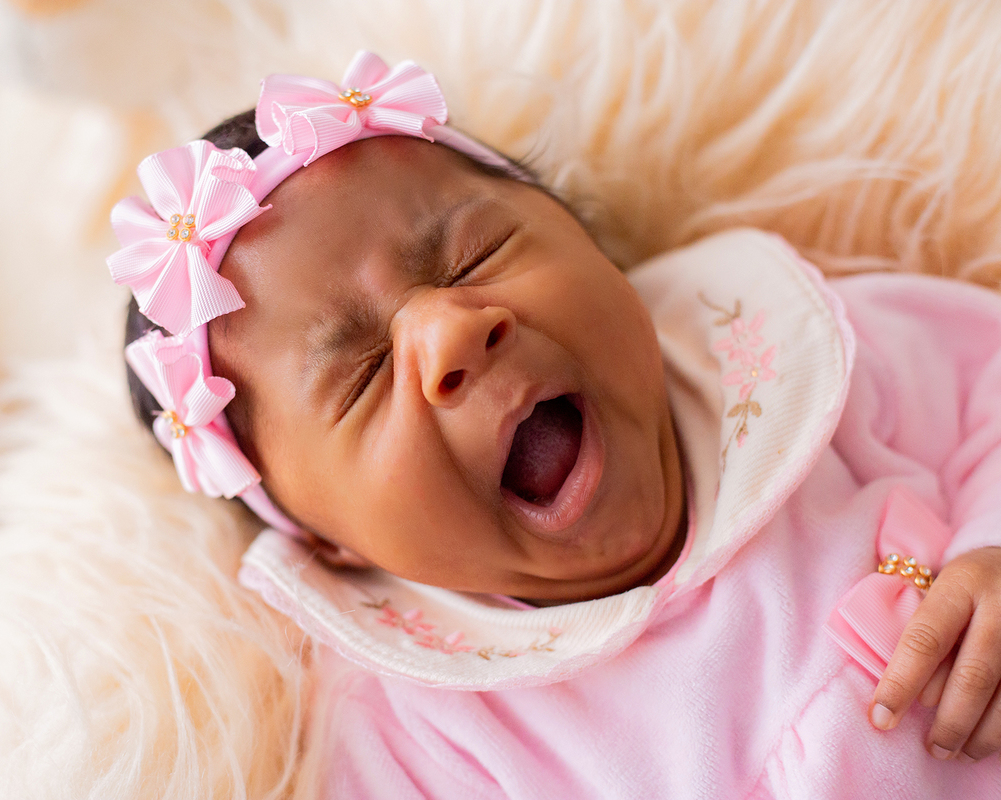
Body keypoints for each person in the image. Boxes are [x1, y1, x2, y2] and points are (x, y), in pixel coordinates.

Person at [109, 52, 1001, 797]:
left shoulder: (803, 354)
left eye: (474, 255)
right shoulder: (428, 737)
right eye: (363, 375)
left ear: (593, 246)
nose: (453, 328)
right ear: (329, 540)